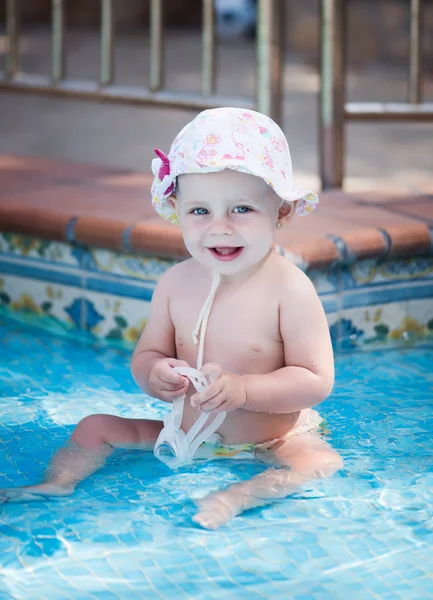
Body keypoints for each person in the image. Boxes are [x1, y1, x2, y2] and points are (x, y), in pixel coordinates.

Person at [0, 108, 343, 529]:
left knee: (319, 461)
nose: (220, 227)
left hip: (273, 437)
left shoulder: (289, 289)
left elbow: (315, 381)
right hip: (184, 434)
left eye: (241, 209)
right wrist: (155, 374)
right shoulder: (175, 283)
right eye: (200, 211)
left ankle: (237, 497)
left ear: (282, 213)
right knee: (94, 426)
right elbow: (148, 354)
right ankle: (58, 483)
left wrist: (245, 390)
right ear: (177, 209)